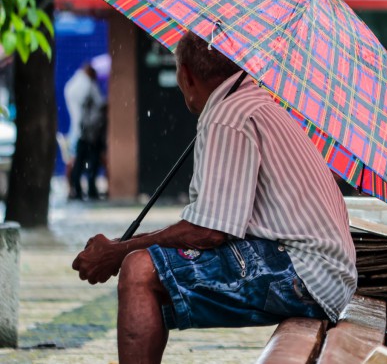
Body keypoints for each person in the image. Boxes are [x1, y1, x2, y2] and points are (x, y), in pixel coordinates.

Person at [71, 31, 358, 363]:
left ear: (186, 76)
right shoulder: (250, 103)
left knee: (141, 270)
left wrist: (121, 250)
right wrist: (131, 246)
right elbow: (211, 227)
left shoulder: (228, 116)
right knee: (157, 268)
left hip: (307, 275)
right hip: (324, 275)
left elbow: (209, 232)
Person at [64, 63, 105, 199]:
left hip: (83, 131)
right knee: (88, 163)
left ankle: (77, 190)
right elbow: (97, 105)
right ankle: (86, 190)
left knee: (80, 163)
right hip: (89, 132)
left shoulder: (75, 85)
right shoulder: (88, 86)